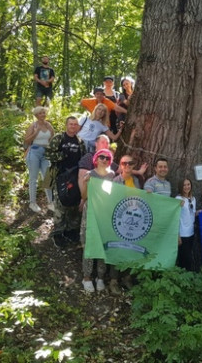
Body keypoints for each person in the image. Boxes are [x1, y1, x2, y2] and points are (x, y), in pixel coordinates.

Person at [78, 149, 116, 294]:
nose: (104, 160)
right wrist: (86, 183)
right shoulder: (90, 174)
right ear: (96, 159)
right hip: (91, 212)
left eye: (107, 158)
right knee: (88, 242)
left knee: (102, 242)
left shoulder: (112, 175)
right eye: (101, 157)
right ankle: (86, 277)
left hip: (105, 212)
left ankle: (100, 277)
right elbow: (84, 196)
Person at [46, 116, 86, 247]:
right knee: (60, 204)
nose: (73, 126)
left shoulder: (80, 141)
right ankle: (58, 232)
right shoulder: (59, 138)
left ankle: (71, 231)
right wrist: (62, 155)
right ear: (66, 125)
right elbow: (48, 154)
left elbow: (83, 159)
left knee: (74, 203)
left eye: (75, 124)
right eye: (71, 124)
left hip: (75, 177)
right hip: (60, 176)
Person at [112, 154, 142, 291]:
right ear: (120, 165)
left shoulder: (136, 181)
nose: (127, 166)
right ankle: (113, 280)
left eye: (130, 163)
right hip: (119, 221)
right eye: (124, 163)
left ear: (134, 165)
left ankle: (127, 277)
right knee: (117, 249)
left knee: (131, 249)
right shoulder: (115, 181)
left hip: (133, 221)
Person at [23, 106, 55, 213]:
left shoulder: (48, 125)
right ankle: (32, 203)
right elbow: (26, 141)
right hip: (34, 152)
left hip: (45, 153)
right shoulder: (33, 125)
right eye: (41, 113)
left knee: (47, 178)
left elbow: (50, 140)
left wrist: (52, 133)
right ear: (36, 115)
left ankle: (51, 203)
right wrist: (35, 133)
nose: (43, 114)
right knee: (33, 179)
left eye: (44, 113)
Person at [176, 178, 196, 271]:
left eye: (188, 184)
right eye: (184, 185)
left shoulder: (193, 199)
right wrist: (178, 235)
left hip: (191, 233)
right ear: (181, 186)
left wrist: (199, 212)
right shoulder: (178, 199)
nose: (187, 187)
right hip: (182, 234)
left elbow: (191, 214)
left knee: (189, 257)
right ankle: (183, 279)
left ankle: (188, 278)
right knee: (184, 259)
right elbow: (175, 218)